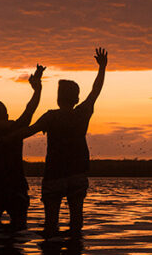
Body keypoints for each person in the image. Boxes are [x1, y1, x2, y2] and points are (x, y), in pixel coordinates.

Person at [18, 48, 107, 236]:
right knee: (76, 222)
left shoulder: (51, 117)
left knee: (51, 224)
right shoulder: (81, 113)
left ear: (58, 98)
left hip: (54, 175)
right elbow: (96, 90)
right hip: (76, 175)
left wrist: (4, 137)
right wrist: (102, 68)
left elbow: (28, 131)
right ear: (76, 98)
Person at [0, 65, 45, 232]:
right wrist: (37, 89)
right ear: (5, 115)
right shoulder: (15, 129)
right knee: (18, 230)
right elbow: (30, 110)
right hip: (14, 189)